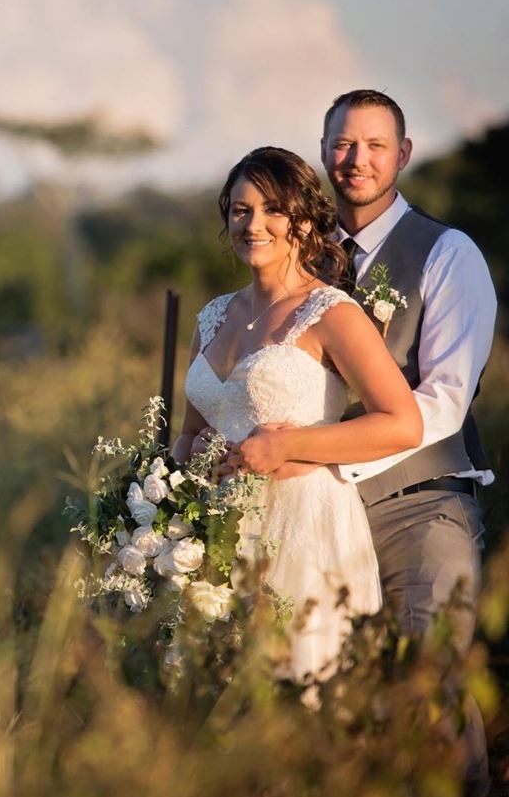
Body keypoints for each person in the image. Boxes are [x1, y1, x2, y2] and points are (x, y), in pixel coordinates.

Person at [247, 89, 494, 794]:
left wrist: (322, 450)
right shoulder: (302, 261)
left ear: (403, 155)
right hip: (309, 516)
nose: (357, 160)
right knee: (321, 689)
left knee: (428, 683)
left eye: (375, 145)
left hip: (420, 505)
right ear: (325, 152)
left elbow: (445, 400)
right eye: (343, 144)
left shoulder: (447, 253)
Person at [173, 146, 423, 682]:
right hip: (217, 530)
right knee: (220, 696)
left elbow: (402, 423)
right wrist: (180, 475)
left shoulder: (332, 312)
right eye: (240, 211)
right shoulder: (212, 316)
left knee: (299, 685)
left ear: (304, 222)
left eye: (271, 210)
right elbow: (190, 432)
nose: (253, 225)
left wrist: (287, 445)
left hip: (303, 522)